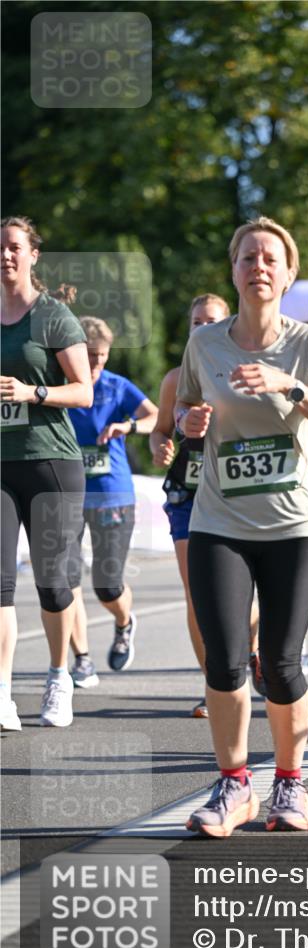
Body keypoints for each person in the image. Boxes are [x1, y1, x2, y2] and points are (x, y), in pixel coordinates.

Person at [176, 217, 308, 835]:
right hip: (219, 520)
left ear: (288, 274)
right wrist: (187, 424)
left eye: (270, 258)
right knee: (225, 662)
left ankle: (288, 784)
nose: (258, 266)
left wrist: (292, 386)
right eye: (247, 257)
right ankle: (233, 787)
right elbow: (185, 405)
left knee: (279, 662)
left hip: (294, 527)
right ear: (233, 270)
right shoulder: (206, 344)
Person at [1, 215, 92, 731]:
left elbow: (84, 391)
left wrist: (31, 392)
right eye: (0, 248)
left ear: (33, 254)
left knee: (55, 586)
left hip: (50, 462)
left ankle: (59, 677)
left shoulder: (52, 316)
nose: (6, 256)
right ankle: (2, 692)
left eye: (14, 247)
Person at [150, 293, 240, 717]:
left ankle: (250, 648)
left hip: (235, 492)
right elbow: (160, 430)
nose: (202, 329)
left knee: (246, 595)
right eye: (196, 322)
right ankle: (213, 685)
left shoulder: (237, 374)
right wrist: (160, 446)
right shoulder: (174, 380)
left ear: (227, 325)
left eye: (212, 321)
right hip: (187, 494)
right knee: (196, 594)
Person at [68, 317, 158, 686]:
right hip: (65, 494)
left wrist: (128, 427)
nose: (95, 365)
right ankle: (81, 659)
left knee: (106, 584)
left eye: (102, 357)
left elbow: (153, 416)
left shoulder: (116, 386)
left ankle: (123, 621)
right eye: (89, 356)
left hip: (112, 494)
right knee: (63, 581)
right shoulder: (61, 386)